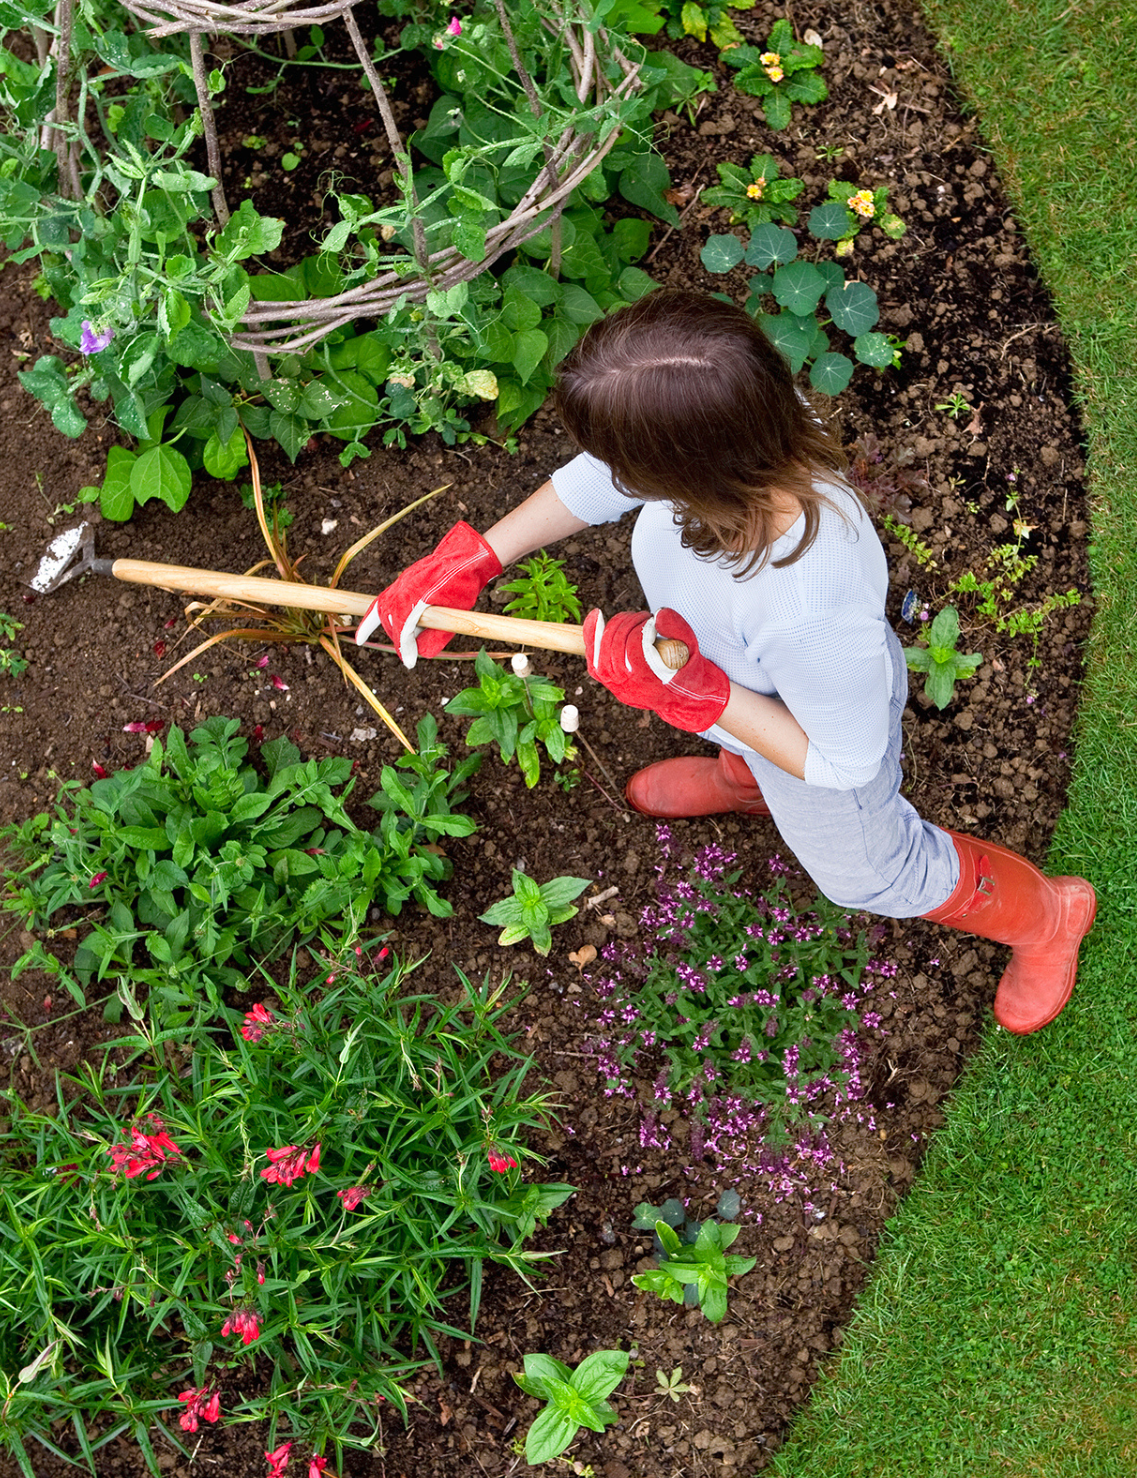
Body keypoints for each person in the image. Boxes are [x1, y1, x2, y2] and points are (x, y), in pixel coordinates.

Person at [355, 289, 1095, 1034]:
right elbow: (600, 479)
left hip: (819, 744)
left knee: (872, 875)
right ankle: (746, 780)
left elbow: (845, 761)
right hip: (748, 687)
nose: (608, 473)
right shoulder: (744, 421)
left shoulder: (808, 605)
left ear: (684, 471)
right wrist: (482, 556)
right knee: (748, 739)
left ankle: (1045, 917)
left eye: (623, 460)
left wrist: (697, 693)